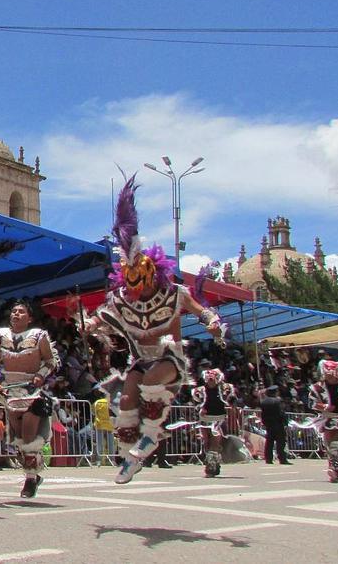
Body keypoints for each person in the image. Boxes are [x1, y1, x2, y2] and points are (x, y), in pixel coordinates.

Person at [79, 174, 225, 484]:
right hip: (140, 360)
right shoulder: (121, 298)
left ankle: (150, 439)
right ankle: (134, 454)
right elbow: (102, 315)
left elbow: (202, 311)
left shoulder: (175, 293)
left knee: (151, 382)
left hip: (169, 359)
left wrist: (213, 324)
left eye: (141, 287)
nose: (137, 294)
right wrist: (88, 324)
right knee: (126, 404)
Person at [0, 300, 59, 498]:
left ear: (29, 318)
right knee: (19, 436)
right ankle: (34, 473)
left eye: (21, 312)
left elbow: (50, 361)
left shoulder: (39, 336)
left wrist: (41, 375)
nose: (16, 314)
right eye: (14, 311)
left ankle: (29, 479)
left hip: (32, 390)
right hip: (9, 391)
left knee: (29, 432)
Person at [191, 368, 235, 477]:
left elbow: (232, 400)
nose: (210, 381)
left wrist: (232, 404)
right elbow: (196, 404)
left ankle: (211, 467)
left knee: (215, 442)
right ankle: (212, 464)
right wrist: (200, 409)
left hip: (218, 419)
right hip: (204, 419)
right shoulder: (200, 390)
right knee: (206, 442)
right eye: (208, 379)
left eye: (212, 379)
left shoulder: (225, 388)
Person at [260, 384, 291, 465]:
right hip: (278, 424)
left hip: (269, 425)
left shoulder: (264, 402)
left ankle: (268, 459)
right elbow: (281, 413)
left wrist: (265, 423)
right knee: (280, 443)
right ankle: (282, 459)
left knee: (269, 442)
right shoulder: (278, 401)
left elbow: (263, 414)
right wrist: (285, 423)